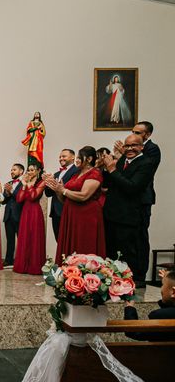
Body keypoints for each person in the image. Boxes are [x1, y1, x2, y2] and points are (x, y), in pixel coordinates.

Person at [102, 134, 154, 287]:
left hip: (129, 215)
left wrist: (112, 170)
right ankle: (113, 278)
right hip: (112, 213)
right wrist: (104, 168)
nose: (130, 148)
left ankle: (134, 279)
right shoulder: (122, 161)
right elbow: (109, 183)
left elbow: (132, 187)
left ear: (141, 147)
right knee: (112, 250)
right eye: (127, 146)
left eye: (134, 145)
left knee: (130, 250)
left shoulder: (146, 163)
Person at [116, 122, 161, 290]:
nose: (134, 133)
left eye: (138, 132)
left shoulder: (152, 150)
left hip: (142, 199)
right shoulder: (128, 153)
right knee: (125, 240)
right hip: (126, 203)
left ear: (147, 135)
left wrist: (124, 154)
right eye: (132, 131)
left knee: (139, 238)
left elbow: (144, 170)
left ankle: (140, 274)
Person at [45, 146, 106, 264]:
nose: (77, 160)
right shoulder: (76, 174)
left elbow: (84, 195)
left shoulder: (94, 173)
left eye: (79, 157)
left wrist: (63, 190)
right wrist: (57, 189)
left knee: (83, 244)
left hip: (86, 216)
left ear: (89, 159)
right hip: (71, 214)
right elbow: (64, 198)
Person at [124, 269, 175, 341]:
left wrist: (129, 308)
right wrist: (169, 282)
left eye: (163, 285)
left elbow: (135, 332)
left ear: (173, 292)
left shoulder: (159, 316)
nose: (161, 289)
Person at [13, 164, 46, 275]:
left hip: (35, 212)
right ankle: (23, 266)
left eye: (32, 170)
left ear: (38, 171)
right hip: (25, 212)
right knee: (25, 237)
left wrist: (28, 185)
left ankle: (34, 266)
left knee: (34, 237)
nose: (30, 172)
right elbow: (19, 199)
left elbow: (33, 196)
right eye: (29, 170)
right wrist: (23, 186)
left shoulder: (41, 182)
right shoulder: (25, 183)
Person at [44, 149, 78, 241]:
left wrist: (58, 187)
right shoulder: (56, 174)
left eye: (64, 156)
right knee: (58, 239)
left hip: (67, 209)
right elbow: (48, 194)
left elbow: (72, 189)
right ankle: (61, 256)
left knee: (68, 240)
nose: (61, 158)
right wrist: (47, 183)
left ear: (73, 157)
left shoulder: (77, 171)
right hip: (55, 211)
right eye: (60, 157)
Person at [2, 163, 25, 268]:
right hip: (8, 215)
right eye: (11, 170)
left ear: (21, 171)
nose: (12, 171)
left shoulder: (24, 183)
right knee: (9, 239)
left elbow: (21, 198)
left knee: (22, 239)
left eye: (14, 170)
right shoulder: (9, 183)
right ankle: (8, 260)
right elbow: (3, 201)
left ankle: (22, 260)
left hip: (20, 215)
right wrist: (6, 192)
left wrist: (12, 191)